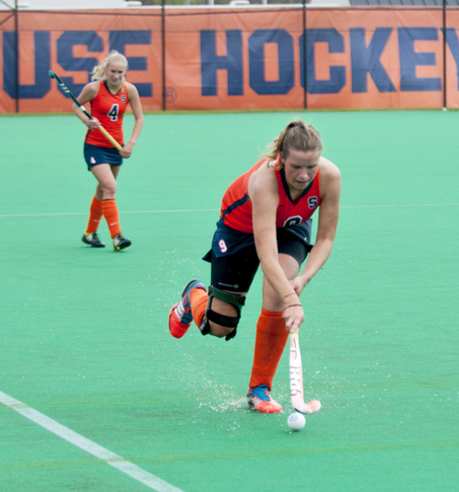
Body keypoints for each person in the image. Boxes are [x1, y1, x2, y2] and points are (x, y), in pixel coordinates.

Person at [168, 119, 341, 414]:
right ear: (281, 158)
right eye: (296, 166)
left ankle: (259, 389)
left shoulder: (330, 176)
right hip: (240, 230)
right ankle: (194, 296)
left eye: (311, 166)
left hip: (289, 227)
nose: (304, 175)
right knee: (219, 327)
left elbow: (325, 238)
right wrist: (292, 300)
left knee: (277, 292)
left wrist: (302, 281)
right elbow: (267, 255)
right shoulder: (265, 180)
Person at [74, 51, 143, 251]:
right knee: (110, 186)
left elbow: (140, 118)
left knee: (102, 189)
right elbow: (76, 105)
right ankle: (117, 237)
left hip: (116, 147)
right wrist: (86, 120)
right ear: (106, 70)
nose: (116, 75)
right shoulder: (94, 88)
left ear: (125, 72)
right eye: (112, 71)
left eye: (120, 72)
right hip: (95, 145)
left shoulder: (129, 90)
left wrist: (131, 143)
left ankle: (89, 233)